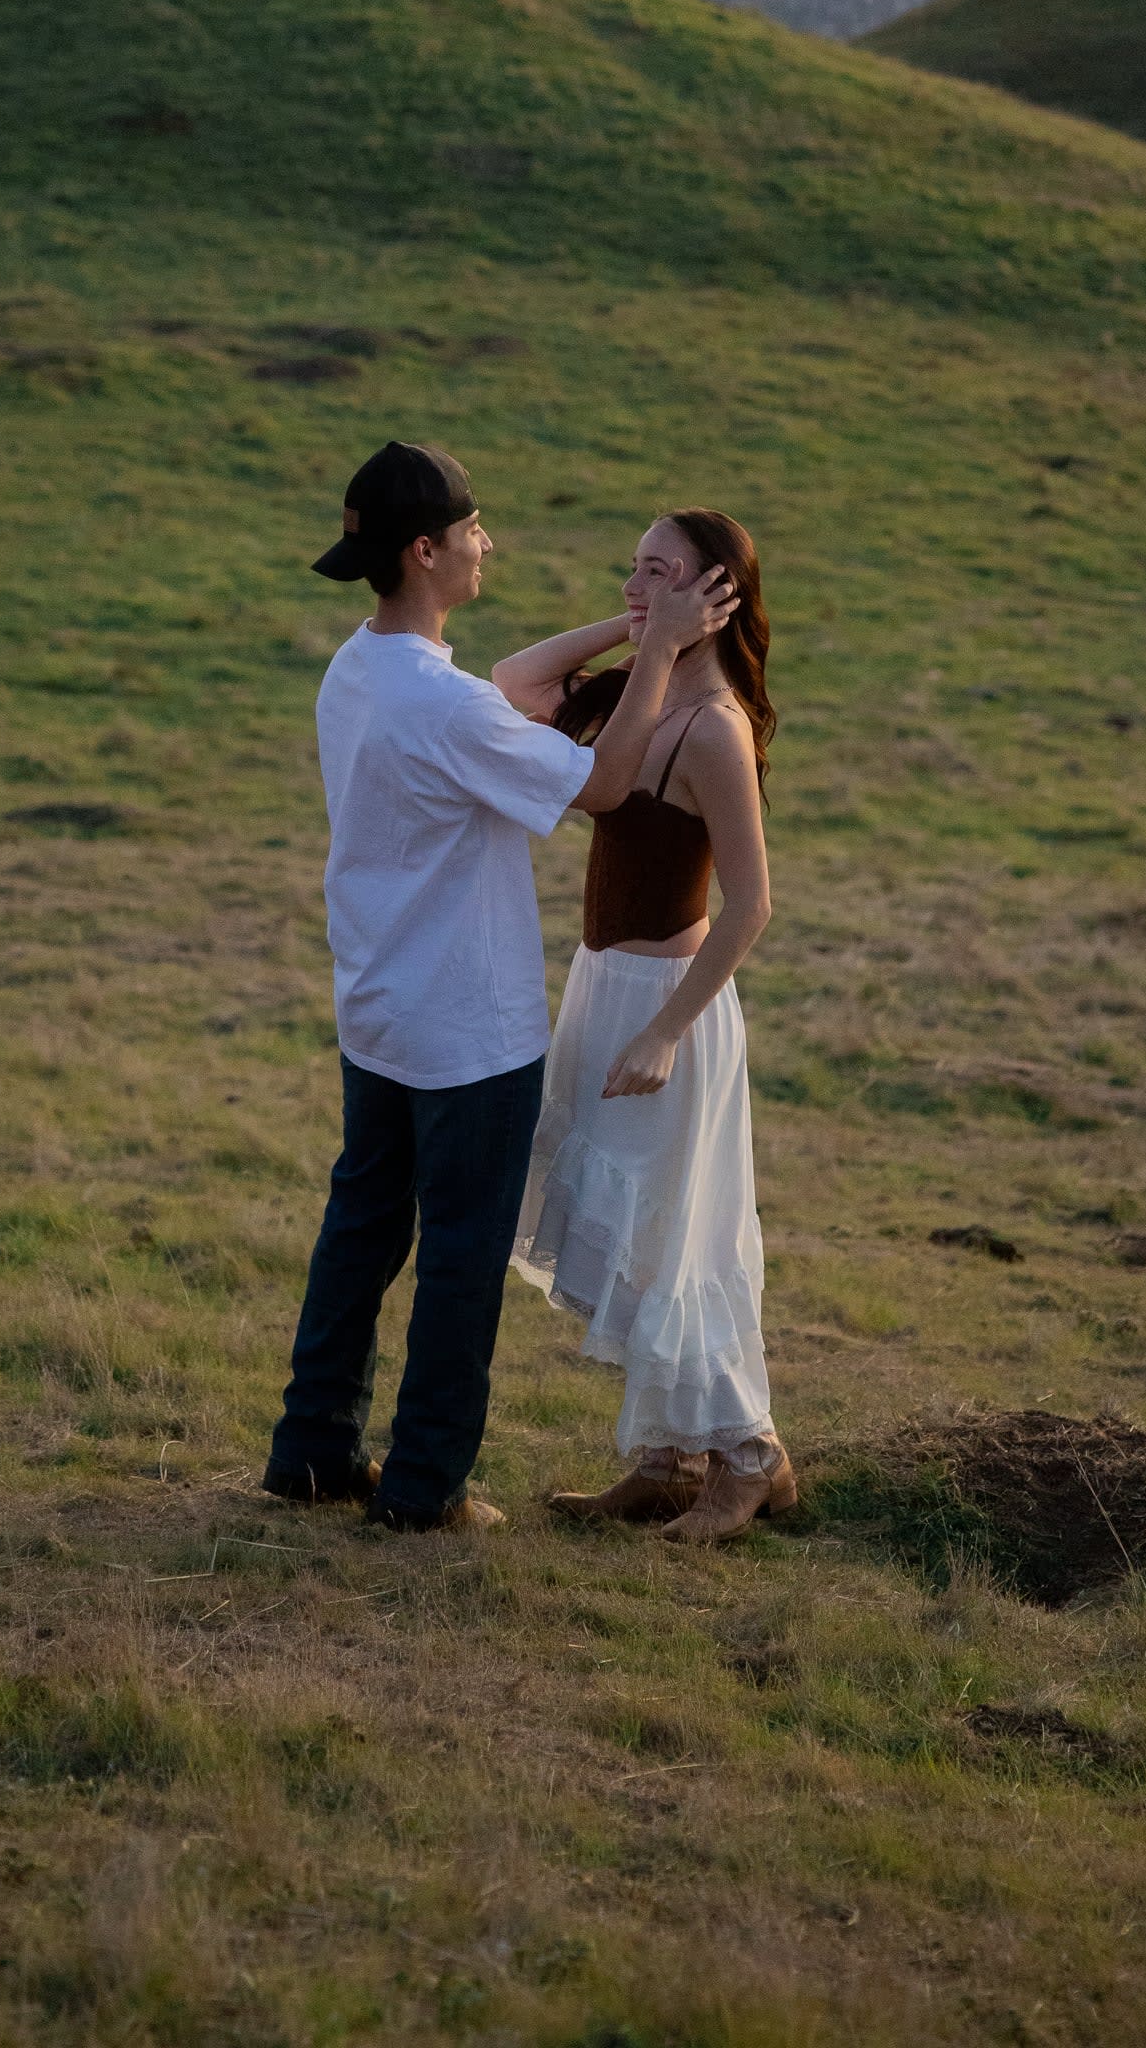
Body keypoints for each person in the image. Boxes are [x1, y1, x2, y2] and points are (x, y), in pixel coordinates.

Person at [263, 443, 740, 1534]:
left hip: (377, 1007)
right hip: (467, 1033)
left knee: (360, 1230)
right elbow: (607, 781)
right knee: (461, 1261)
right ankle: (426, 1490)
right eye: (474, 528)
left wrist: (637, 634)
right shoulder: (446, 709)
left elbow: (510, 696)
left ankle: (310, 1452)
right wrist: (663, 644)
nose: (490, 542)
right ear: (424, 552)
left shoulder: (359, 667)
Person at [496, 510, 792, 1545]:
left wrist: (665, 1031)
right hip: (598, 987)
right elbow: (513, 682)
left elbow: (750, 904)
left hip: (670, 1010)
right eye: (629, 566)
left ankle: (747, 1462)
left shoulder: (712, 728)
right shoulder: (642, 690)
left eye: (658, 571)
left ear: (716, 592)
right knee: (635, 1235)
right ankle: (664, 1460)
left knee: (680, 1237)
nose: (633, 582)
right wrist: (638, 626)